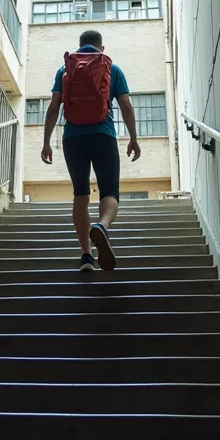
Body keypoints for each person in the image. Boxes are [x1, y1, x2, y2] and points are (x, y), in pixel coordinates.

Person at [40, 30, 141, 271]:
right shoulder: (111, 68)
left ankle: (86, 256)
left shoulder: (64, 70)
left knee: (81, 195)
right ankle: (102, 226)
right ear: (101, 48)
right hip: (103, 135)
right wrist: (133, 138)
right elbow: (125, 104)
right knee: (109, 191)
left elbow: (54, 107)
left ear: (79, 46)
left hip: (73, 138)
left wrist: (45, 142)